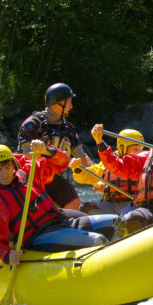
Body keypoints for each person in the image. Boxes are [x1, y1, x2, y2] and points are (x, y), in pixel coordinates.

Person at [0, 145, 120, 263]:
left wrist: (46, 150)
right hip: (39, 236)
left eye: (7, 167)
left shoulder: (29, 173)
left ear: (13, 165)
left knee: (117, 222)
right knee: (98, 240)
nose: (4, 174)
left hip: (60, 221)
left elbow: (62, 162)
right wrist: (7, 256)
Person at [91, 120, 153, 234]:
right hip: (149, 206)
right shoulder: (146, 158)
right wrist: (100, 142)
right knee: (133, 219)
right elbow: (116, 166)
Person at [17, 83, 92, 211]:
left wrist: (99, 175)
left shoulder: (68, 128)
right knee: (45, 207)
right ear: (59, 102)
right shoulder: (32, 124)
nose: (71, 106)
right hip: (30, 176)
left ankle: (69, 228)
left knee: (75, 204)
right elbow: (27, 155)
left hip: (52, 177)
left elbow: (82, 156)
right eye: (69, 102)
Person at [70, 129, 144, 216]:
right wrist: (77, 169)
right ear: (122, 147)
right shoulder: (109, 163)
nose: (139, 152)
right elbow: (86, 176)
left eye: (141, 149)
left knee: (130, 216)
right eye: (136, 149)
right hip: (110, 204)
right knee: (85, 208)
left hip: (131, 204)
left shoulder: (141, 163)